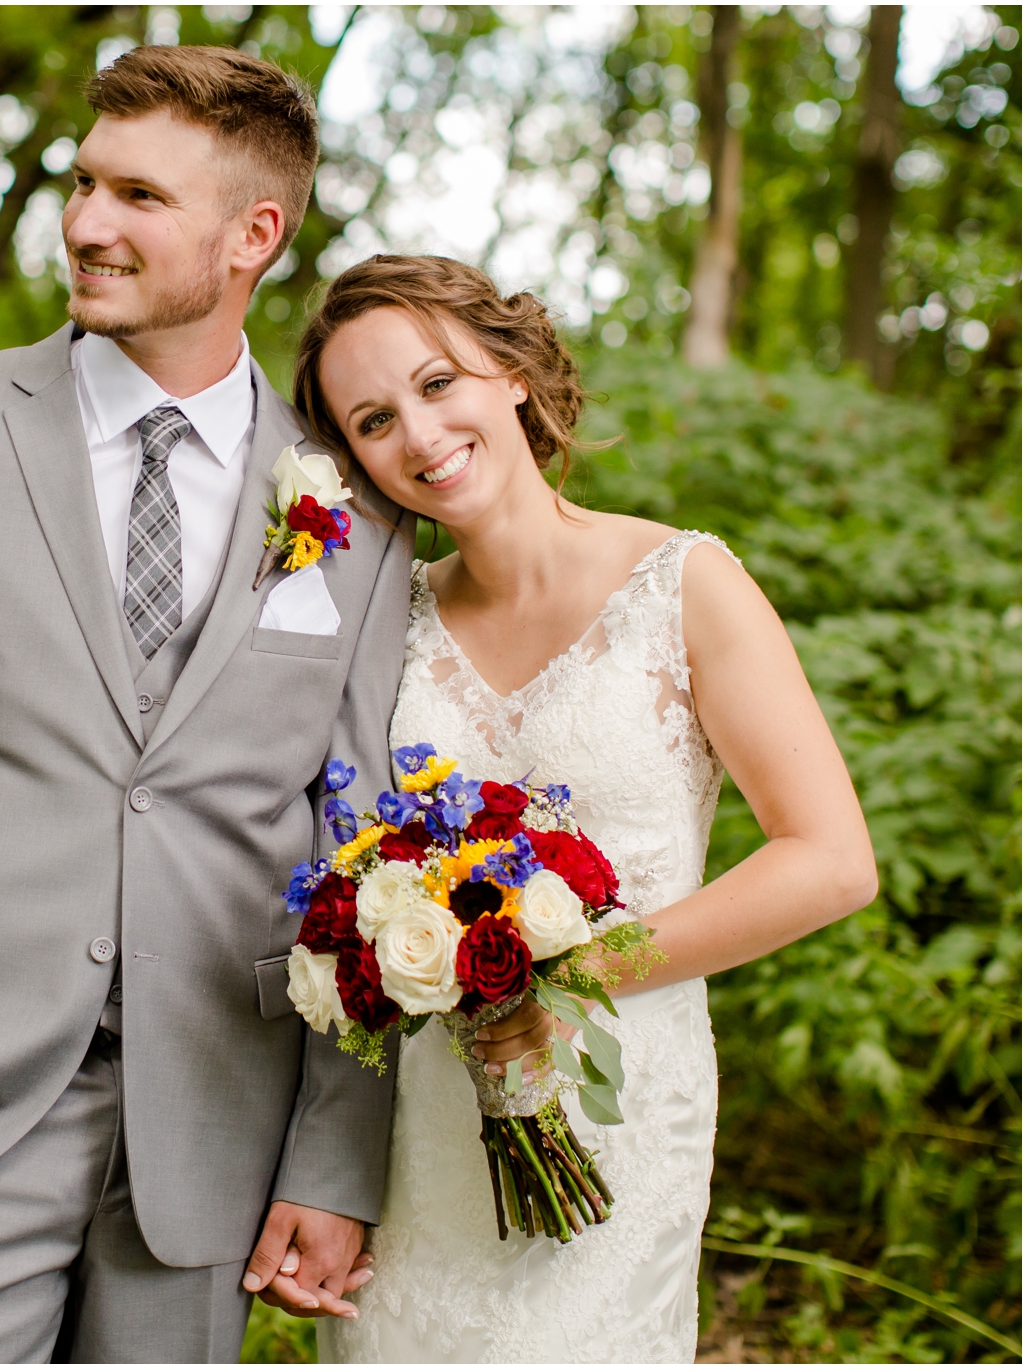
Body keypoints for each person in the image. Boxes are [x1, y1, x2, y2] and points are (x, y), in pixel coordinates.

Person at [0, 46, 554, 1363]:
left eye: (136, 195)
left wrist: (334, 1155)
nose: (84, 223)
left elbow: (357, 849)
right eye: (80, 184)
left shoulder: (351, 507)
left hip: (215, 1122)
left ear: (254, 235)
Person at [294, 255, 879, 1363]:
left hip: (619, 1108)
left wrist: (571, 975)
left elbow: (829, 859)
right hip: (422, 1130)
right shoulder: (381, 625)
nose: (416, 438)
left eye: (436, 383)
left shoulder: (683, 584)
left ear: (509, 369)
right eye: (372, 420)